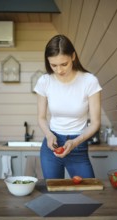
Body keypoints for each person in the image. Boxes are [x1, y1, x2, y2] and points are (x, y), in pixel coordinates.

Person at [34, 34, 102, 179]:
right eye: (53, 65)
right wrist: (49, 134)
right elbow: (41, 117)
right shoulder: (44, 81)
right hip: (52, 146)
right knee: (54, 195)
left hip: (78, 144)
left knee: (89, 194)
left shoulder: (89, 81)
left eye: (63, 64)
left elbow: (96, 123)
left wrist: (75, 142)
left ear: (73, 56)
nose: (59, 70)